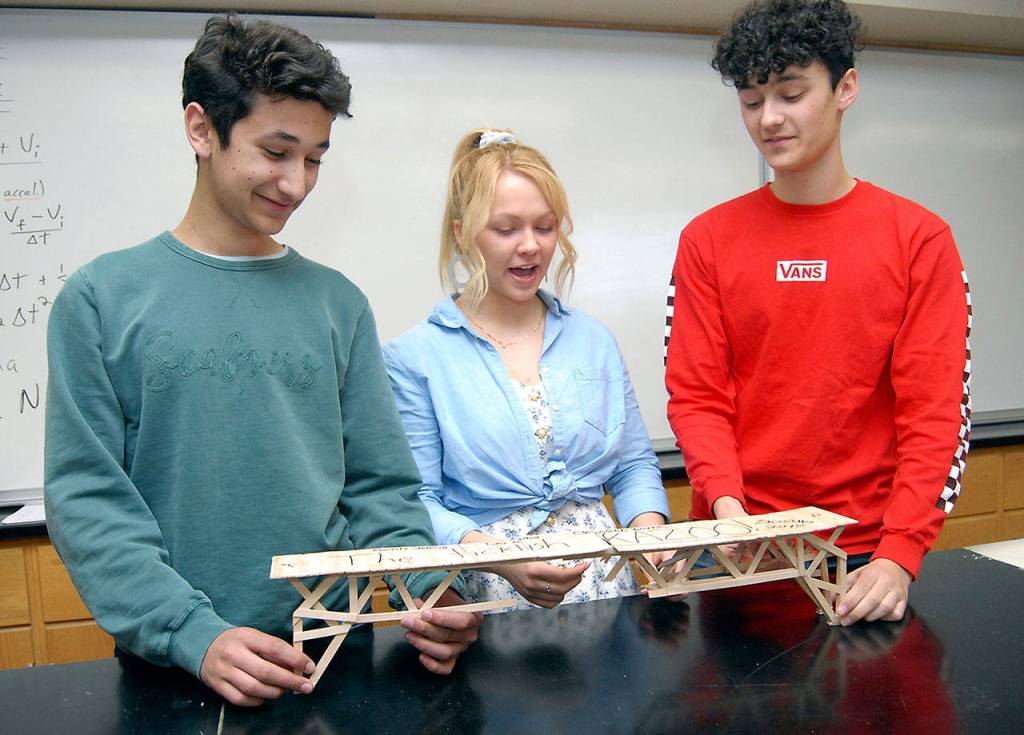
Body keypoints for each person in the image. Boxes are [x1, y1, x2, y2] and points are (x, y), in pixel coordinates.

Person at [43, 14, 481, 707]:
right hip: (176, 668)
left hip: (337, 656)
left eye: (315, 157)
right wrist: (196, 634)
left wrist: (430, 589)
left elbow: (381, 486)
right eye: (276, 151)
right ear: (200, 129)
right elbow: (90, 500)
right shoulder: (99, 300)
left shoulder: (339, 304)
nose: (298, 182)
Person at [665, 0, 970, 625]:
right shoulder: (707, 240)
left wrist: (900, 554)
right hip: (736, 545)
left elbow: (936, 412)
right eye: (751, 102)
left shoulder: (919, 239)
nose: (769, 118)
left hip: (861, 557)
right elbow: (696, 394)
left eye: (790, 93)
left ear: (845, 88)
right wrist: (725, 505)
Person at [384, 129, 672, 611]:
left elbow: (633, 465)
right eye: (506, 229)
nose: (531, 247)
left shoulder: (593, 340)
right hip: (494, 600)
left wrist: (650, 533)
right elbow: (418, 501)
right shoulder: (415, 357)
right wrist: (501, 559)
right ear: (461, 232)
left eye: (544, 227)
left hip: (610, 600)